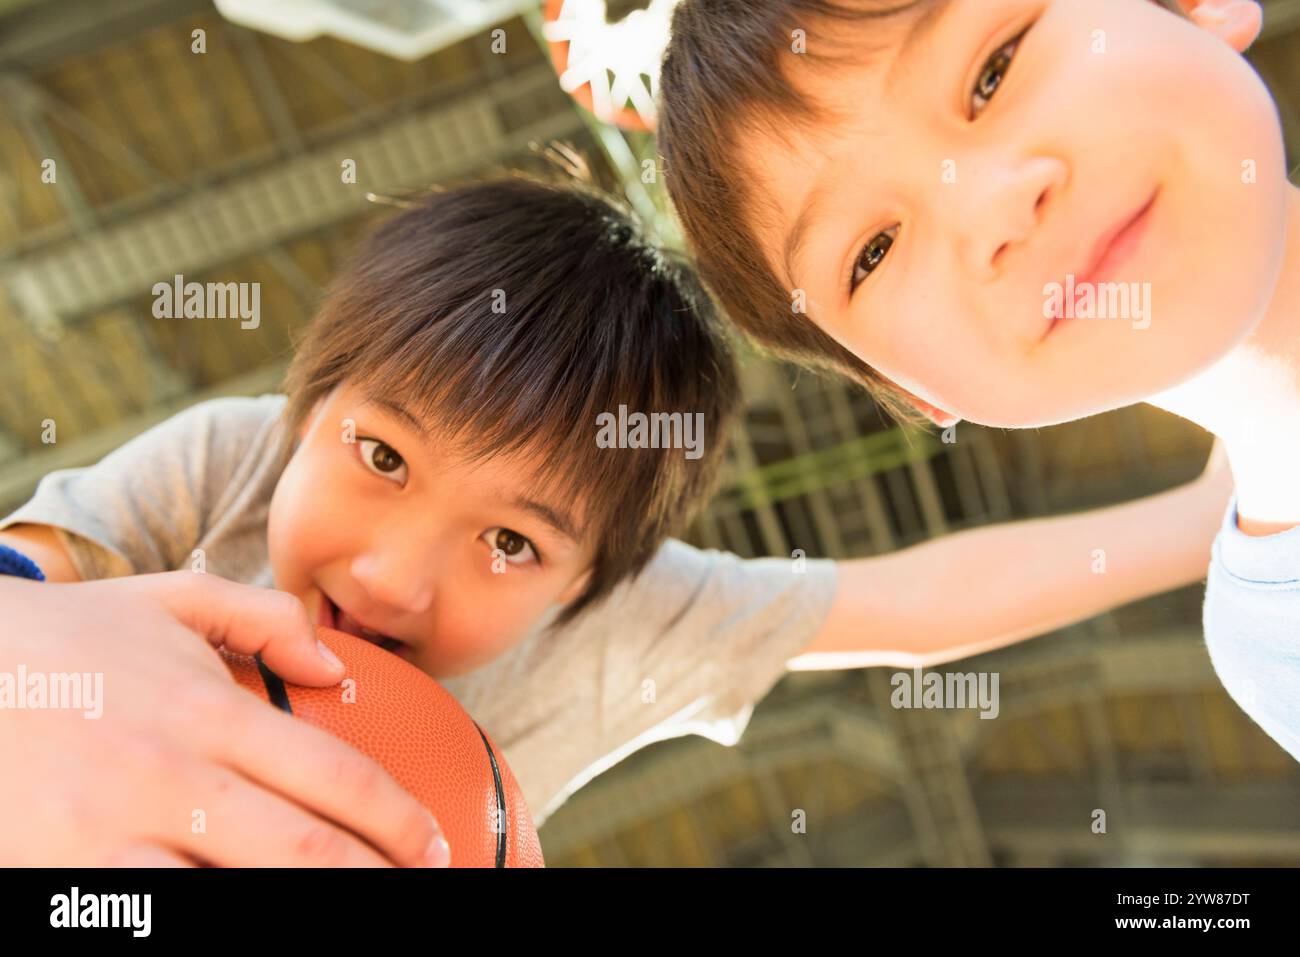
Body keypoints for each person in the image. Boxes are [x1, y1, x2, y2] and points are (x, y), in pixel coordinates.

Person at [0, 169, 1231, 867]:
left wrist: (1215, 516)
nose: (392, 576)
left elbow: (906, 608)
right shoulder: (230, 461)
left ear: (591, 583)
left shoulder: (618, 631)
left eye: (512, 543)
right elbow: (23, 582)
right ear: (307, 406)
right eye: (379, 453)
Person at [658, 0, 1299, 758]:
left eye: (992, 72)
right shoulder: (1270, 647)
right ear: (914, 390)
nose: (994, 205)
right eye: (875, 252)